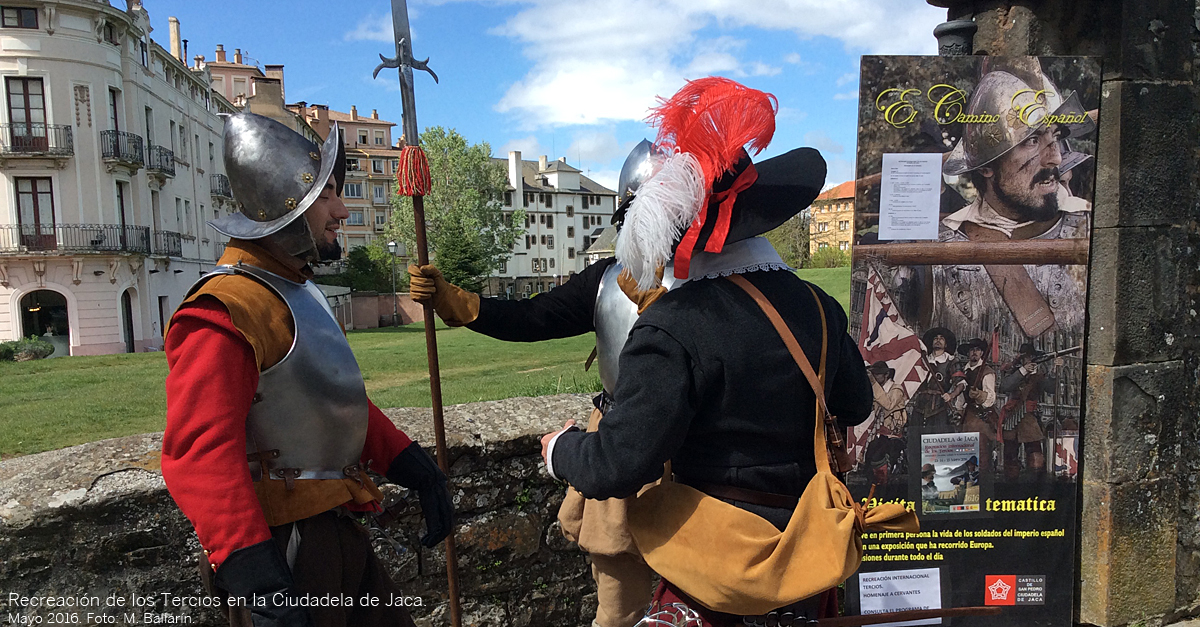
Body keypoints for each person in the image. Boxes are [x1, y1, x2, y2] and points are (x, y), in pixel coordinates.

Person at [540, 77, 872, 626]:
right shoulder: (818, 307)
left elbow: (619, 465)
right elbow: (854, 407)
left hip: (716, 567)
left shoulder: (672, 327)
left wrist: (560, 448)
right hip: (807, 553)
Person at [161, 112, 453, 627]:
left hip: (331, 526)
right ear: (286, 207)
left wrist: (413, 466)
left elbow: (327, 399)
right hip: (285, 548)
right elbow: (200, 453)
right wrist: (255, 572)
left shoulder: (294, 289)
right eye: (328, 195)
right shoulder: (225, 308)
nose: (342, 210)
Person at [406, 141, 670, 627]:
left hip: (697, 462)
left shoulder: (717, 280)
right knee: (620, 612)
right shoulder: (607, 280)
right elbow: (533, 317)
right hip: (622, 452)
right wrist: (458, 303)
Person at [934, 58, 1095, 343]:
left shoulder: (1091, 227)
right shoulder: (943, 247)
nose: (1056, 158)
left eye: (1055, 136)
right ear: (986, 166)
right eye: (1032, 140)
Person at [997, 343, 1061, 480]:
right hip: (1012, 418)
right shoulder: (1011, 371)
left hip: (1030, 418)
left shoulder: (1038, 375)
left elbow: (1050, 389)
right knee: (1010, 457)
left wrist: (1054, 372)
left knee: (1035, 456)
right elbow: (1005, 386)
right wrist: (1023, 371)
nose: (1030, 359)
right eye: (1027, 357)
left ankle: (1035, 486)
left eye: (1031, 357)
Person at [949, 338, 999, 472]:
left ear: (982, 353)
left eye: (977, 350)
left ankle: (983, 484)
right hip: (967, 416)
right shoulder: (963, 372)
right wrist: (958, 412)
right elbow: (960, 398)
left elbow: (991, 398)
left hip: (981, 416)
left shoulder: (987, 372)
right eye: (971, 350)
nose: (974, 353)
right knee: (967, 454)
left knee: (982, 453)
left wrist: (979, 395)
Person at [862, 361, 908, 485]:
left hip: (893, 434)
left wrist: (873, 383)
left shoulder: (896, 389)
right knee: (869, 457)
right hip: (881, 433)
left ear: (886, 375)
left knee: (881, 457)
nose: (876, 377)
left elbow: (888, 404)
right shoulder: (879, 390)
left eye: (877, 374)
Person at [910, 327, 958, 432]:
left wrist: (951, 395)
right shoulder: (923, 360)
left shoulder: (951, 361)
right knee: (915, 438)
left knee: (935, 440)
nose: (938, 340)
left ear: (946, 344)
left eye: (941, 338)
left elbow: (960, 383)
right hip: (919, 406)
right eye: (935, 338)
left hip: (939, 407)